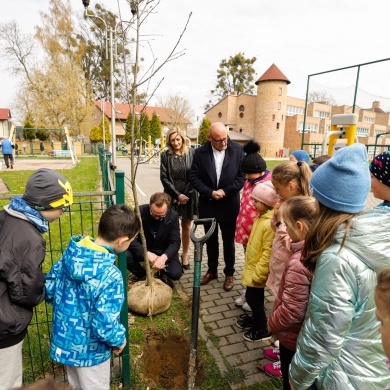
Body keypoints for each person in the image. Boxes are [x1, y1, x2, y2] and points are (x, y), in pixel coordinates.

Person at [289, 143, 390, 389]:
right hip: (373, 368)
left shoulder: (338, 258)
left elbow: (324, 336)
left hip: (342, 375)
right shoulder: (380, 235)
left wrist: (297, 379)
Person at [45, 204, 141, 390]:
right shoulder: (110, 275)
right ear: (122, 241)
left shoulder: (70, 254)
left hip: (66, 343)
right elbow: (104, 325)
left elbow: (49, 288)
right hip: (92, 353)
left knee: (75, 386)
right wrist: (119, 339)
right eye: (132, 241)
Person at [0, 168, 73, 390]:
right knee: (7, 380)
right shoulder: (30, 240)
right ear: (42, 205)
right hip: (5, 325)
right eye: (61, 206)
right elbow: (26, 293)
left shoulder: (5, 216)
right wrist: (44, 286)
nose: (63, 212)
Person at [263, 196, 317, 387]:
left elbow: (293, 311)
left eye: (286, 224)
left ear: (300, 226)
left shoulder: (298, 263)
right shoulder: (316, 249)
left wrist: (271, 324)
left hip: (292, 337)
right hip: (303, 335)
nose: (283, 228)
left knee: (290, 378)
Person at [265, 160, 312, 366]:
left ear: (291, 186)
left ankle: (284, 350)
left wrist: (283, 223)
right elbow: (278, 231)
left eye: (278, 189)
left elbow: (292, 238)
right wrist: (277, 220)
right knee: (279, 301)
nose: (276, 193)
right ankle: (280, 344)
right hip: (281, 267)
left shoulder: (302, 208)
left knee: (285, 308)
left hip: (290, 269)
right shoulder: (286, 205)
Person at [189, 122, 245, 291]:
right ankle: (212, 270)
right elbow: (194, 177)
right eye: (219, 140)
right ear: (209, 138)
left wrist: (225, 191)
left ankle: (229, 273)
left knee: (228, 241)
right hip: (208, 203)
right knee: (210, 240)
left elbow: (241, 177)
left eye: (225, 138)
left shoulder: (237, 150)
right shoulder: (199, 153)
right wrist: (209, 192)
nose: (223, 143)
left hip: (229, 203)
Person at [235, 181, 278, 342]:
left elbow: (268, 253)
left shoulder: (268, 224)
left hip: (258, 271)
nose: (253, 204)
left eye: (256, 201)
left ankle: (263, 328)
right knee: (255, 298)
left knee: (254, 300)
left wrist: (259, 273)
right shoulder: (261, 217)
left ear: (266, 203)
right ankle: (255, 320)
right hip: (253, 266)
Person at [234, 139, 271, 311]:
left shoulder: (267, 186)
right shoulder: (249, 182)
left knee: (258, 266)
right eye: (246, 174)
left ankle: (255, 298)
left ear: (260, 171)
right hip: (247, 232)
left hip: (259, 234)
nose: (247, 177)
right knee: (248, 263)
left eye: (249, 174)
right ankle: (248, 292)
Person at [160, 128, 199, 270]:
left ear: (182, 138)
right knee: (172, 226)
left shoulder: (192, 153)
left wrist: (186, 194)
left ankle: (185, 254)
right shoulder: (165, 155)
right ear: (169, 142)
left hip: (189, 195)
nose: (176, 143)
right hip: (172, 195)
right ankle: (172, 255)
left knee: (186, 226)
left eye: (178, 139)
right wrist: (177, 195)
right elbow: (164, 177)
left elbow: (195, 174)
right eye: (172, 140)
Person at [126, 192, 182, 288]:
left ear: (167, 208)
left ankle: (161, 273)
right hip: (145, 248)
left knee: (176, 273)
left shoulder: (173, 216)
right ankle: (143, 275)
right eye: (154, 214)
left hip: (163, 250)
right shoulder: (139, 211)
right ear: (149, 205)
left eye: (161, 216)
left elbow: (175, 242)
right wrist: (145, 253)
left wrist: (164, 257)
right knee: (125, 255)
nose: (156, 218)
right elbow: (130, 237)